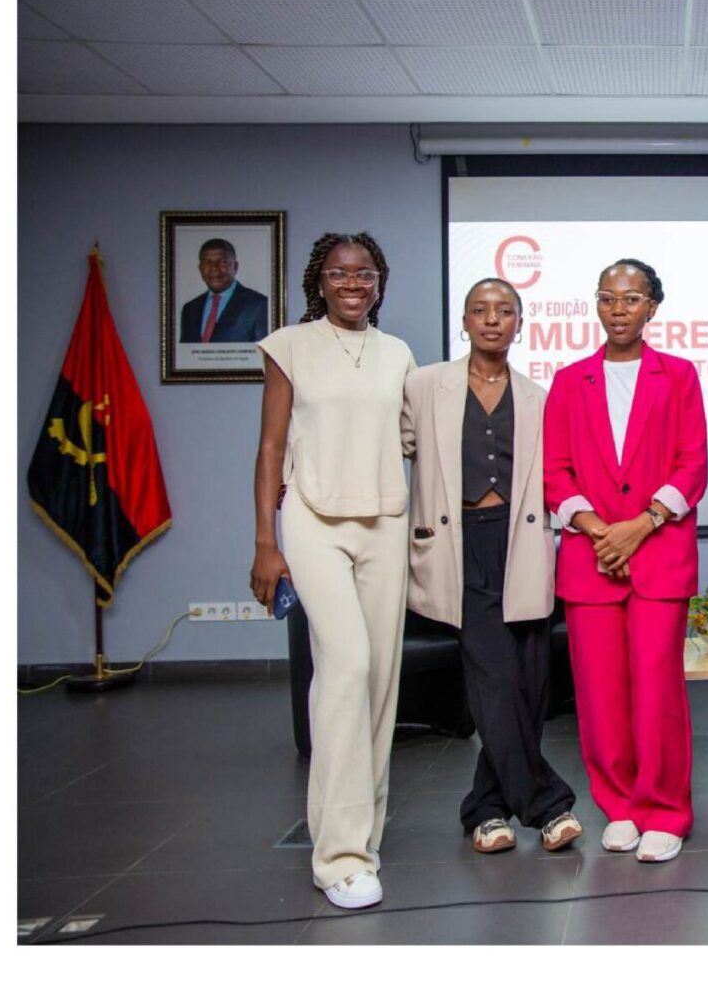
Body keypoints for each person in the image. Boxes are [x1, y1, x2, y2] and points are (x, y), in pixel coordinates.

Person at [250, 232, 415, 909]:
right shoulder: (288, 346)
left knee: (376, 679)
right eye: (340, 272)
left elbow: (410, 436)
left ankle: (361, 831)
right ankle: (340, 856)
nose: (354, 282)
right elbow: (269, 447)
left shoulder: (397, 353)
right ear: (319, 280)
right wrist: (266, 542)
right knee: (344, 665)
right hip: (314, 520)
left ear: (379, 282)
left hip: (386, 520)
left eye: (366, 272)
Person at [402, 278, 583, 857]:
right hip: (459, 545)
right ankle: (547, 805)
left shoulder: (538, 395)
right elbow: (392, 453)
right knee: (495, 678)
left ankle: (485, 811)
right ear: (464, 320)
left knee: (528, 686)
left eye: (505, 311)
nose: (491, 319)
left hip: (522, 545)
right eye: (480, 310)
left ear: (520, 324)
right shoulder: (424, 385)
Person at [543, 258, 708, 863]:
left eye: (632, 299)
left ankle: (666, 810)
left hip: (658, 553)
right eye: (608, 298)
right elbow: (555, 471)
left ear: (652, 308)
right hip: (591, 560)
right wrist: (598, 530)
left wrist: (638, 527)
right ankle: (619, 806)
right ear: (597, 305)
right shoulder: (569, 381)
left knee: (658, 688)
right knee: (600, 692)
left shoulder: (680, 375)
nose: (619, 309)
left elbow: (693, 464)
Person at [181, 238, 269, 344]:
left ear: (235, 267)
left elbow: (264, 354)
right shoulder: (190, 309)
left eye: (222, 262)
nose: (214, 268)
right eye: (207, 263)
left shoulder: (258, 305)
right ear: (200, 269)